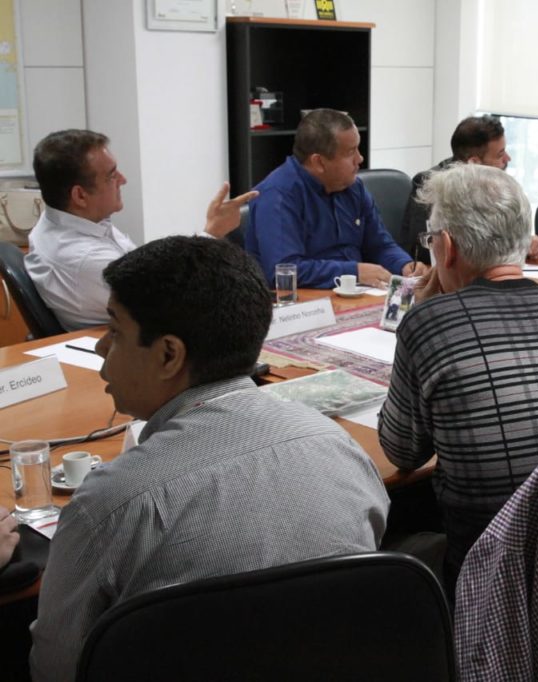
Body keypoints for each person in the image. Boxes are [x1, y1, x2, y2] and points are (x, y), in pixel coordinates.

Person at [29, 237, 389, 681]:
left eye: (115, 331)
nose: (102, 348)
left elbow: (55, 670)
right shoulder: (339, 447)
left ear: (168, 355)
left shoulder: (111, 504)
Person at [378, 164, 538, 590]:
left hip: (491, 582)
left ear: (448, 247)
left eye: (431, 242)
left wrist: (422, 315)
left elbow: (402, 451)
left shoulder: (431, 326)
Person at [25, 129, 256, 331]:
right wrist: (212, 233)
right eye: (112, 175)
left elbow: (151, 273)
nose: (123, 180)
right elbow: (174, 298)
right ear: (80, 195)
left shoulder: (63, 219)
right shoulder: (83, 258)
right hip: (141, 348)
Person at [246, 108, 428, 289]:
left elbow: (380, 245)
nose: (360, 158)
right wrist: (354, 272)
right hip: (306, 305)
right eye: (351, 152)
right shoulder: (278, 195)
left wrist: (405, 265)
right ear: (318, 162)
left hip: (357, 295)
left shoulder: (353, 187)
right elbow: (284, 271)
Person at [400, 115, 538, 263]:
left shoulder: (496, 183)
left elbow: (503, 232)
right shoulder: (430, 185)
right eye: (500, 154)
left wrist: (526, 242)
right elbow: (424, 250)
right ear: (474, 163)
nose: (507, 159)